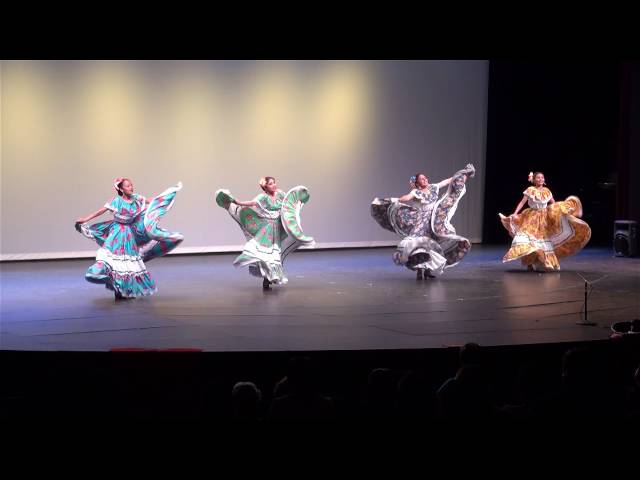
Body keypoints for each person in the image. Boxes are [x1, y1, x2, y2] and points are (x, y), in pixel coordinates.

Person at [75, 177, 183, 299]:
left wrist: (161, 199)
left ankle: (122, 290)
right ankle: (103, 276)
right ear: (121, 188)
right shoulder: (116, 201)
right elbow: (101, 211)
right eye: (127, 186)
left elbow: (149, 200)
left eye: (131, 185)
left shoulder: (136, 198)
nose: (131, 187)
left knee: (127, 264)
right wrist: (85, 219)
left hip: (128, 234)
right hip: (116, 232)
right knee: (111, 258)